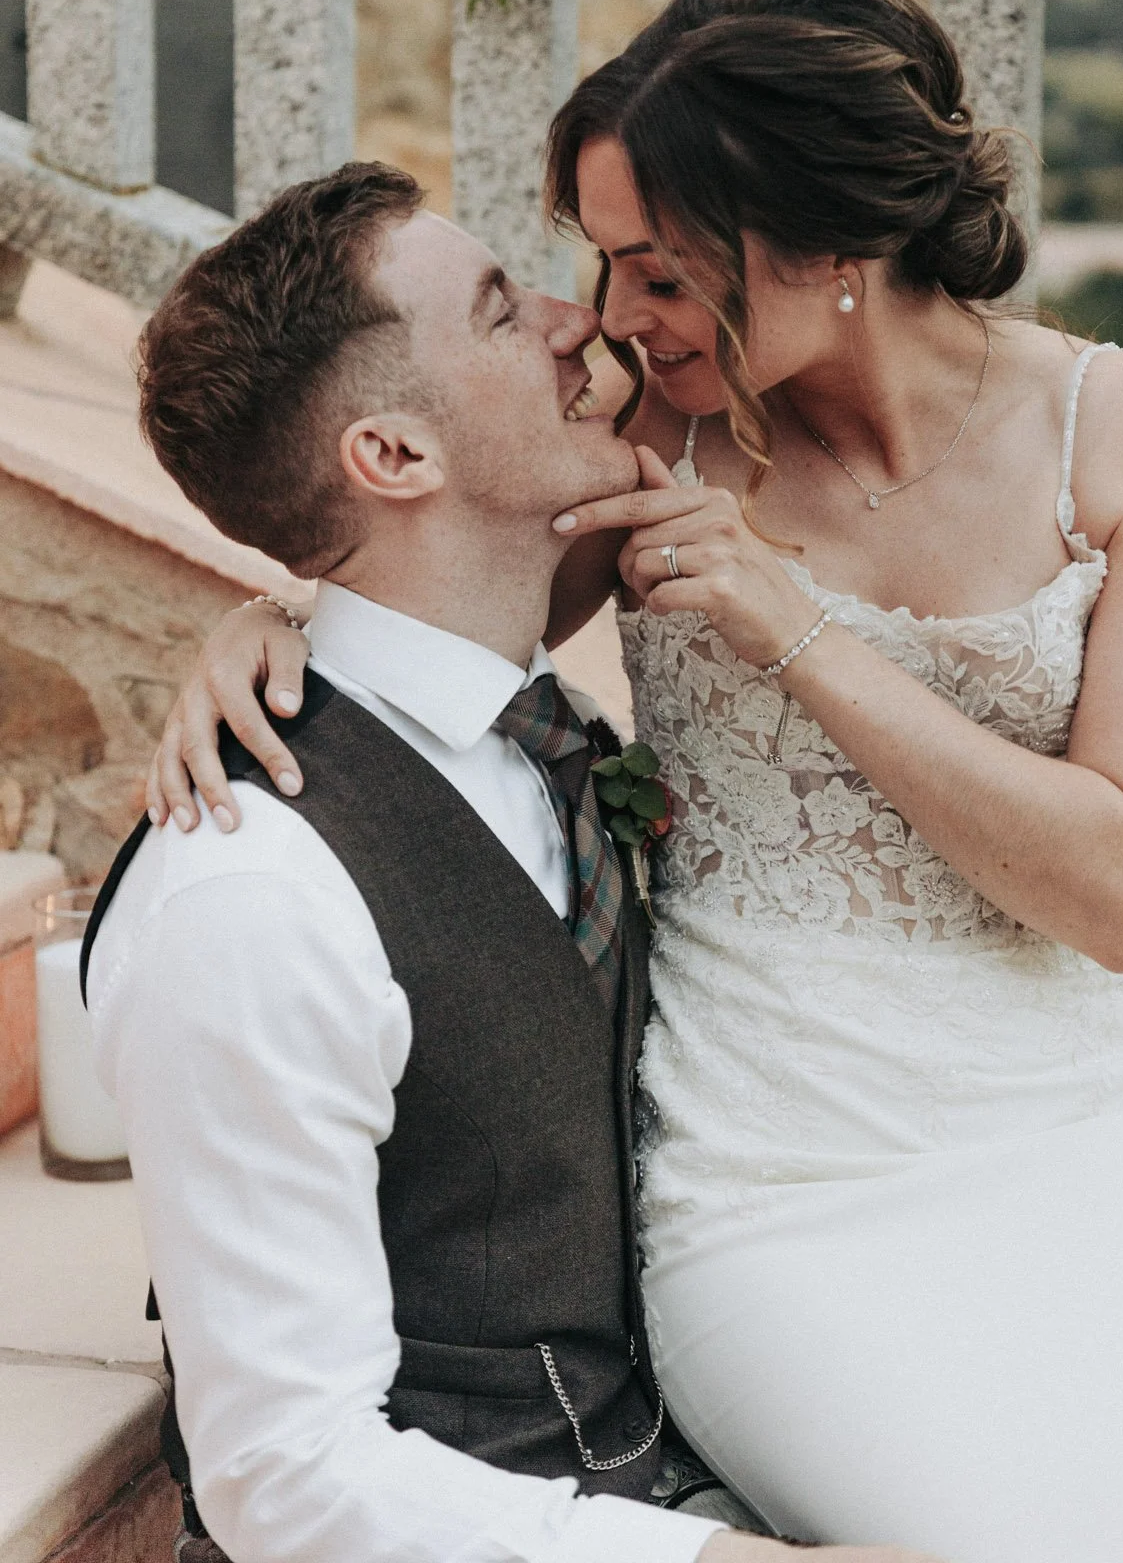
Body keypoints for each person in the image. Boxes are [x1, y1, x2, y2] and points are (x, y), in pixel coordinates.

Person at [148, 0, 1123, 1563]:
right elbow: (427, 587)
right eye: (598, 265)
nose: (613, 322)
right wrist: (265, 624)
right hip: (780, 1164)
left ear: (826, 248)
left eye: (658, 272)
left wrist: (799, 633)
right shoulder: (664, 433)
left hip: (1099, 1112)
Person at [84, 160, 931, 1563]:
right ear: (394, 458)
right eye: (494, 310)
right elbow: (283, 1473)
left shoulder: (550, 737)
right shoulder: (251, 898)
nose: (571, 318)